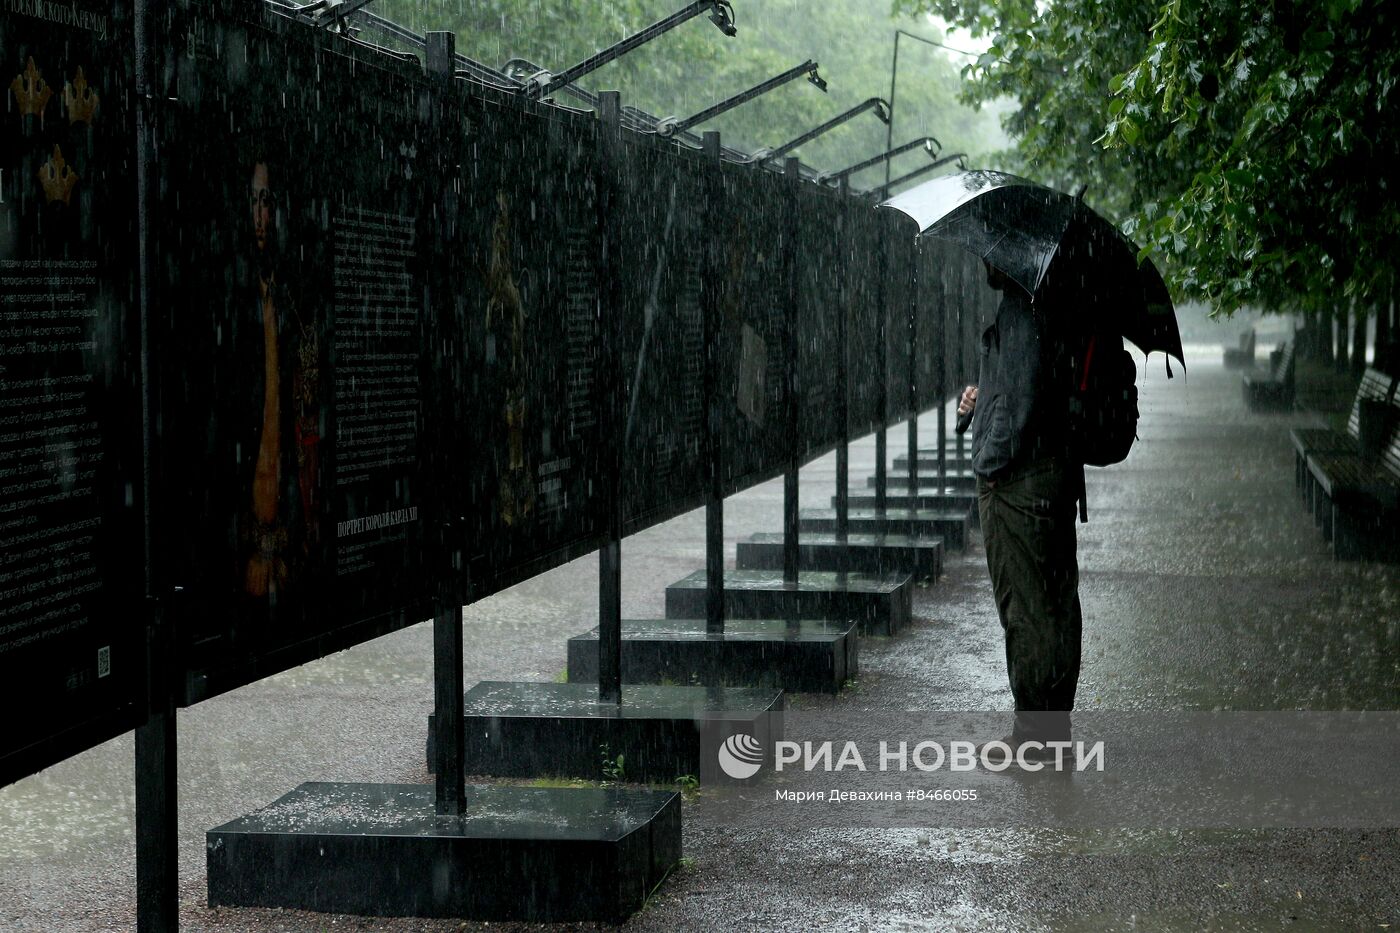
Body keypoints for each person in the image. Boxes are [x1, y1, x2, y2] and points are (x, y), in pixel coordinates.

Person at [958, 260, 1082, 760]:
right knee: (1052, 604)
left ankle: (1036, 741)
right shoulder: (1047, 304)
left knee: (1027, 610)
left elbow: (1023, 400)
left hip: (1020, 482)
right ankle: (1051, 731)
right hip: (1049, 476)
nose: (984, 260)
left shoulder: (1021, 310)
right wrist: (979, 400)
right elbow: (1020, 392)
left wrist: (990, 463)